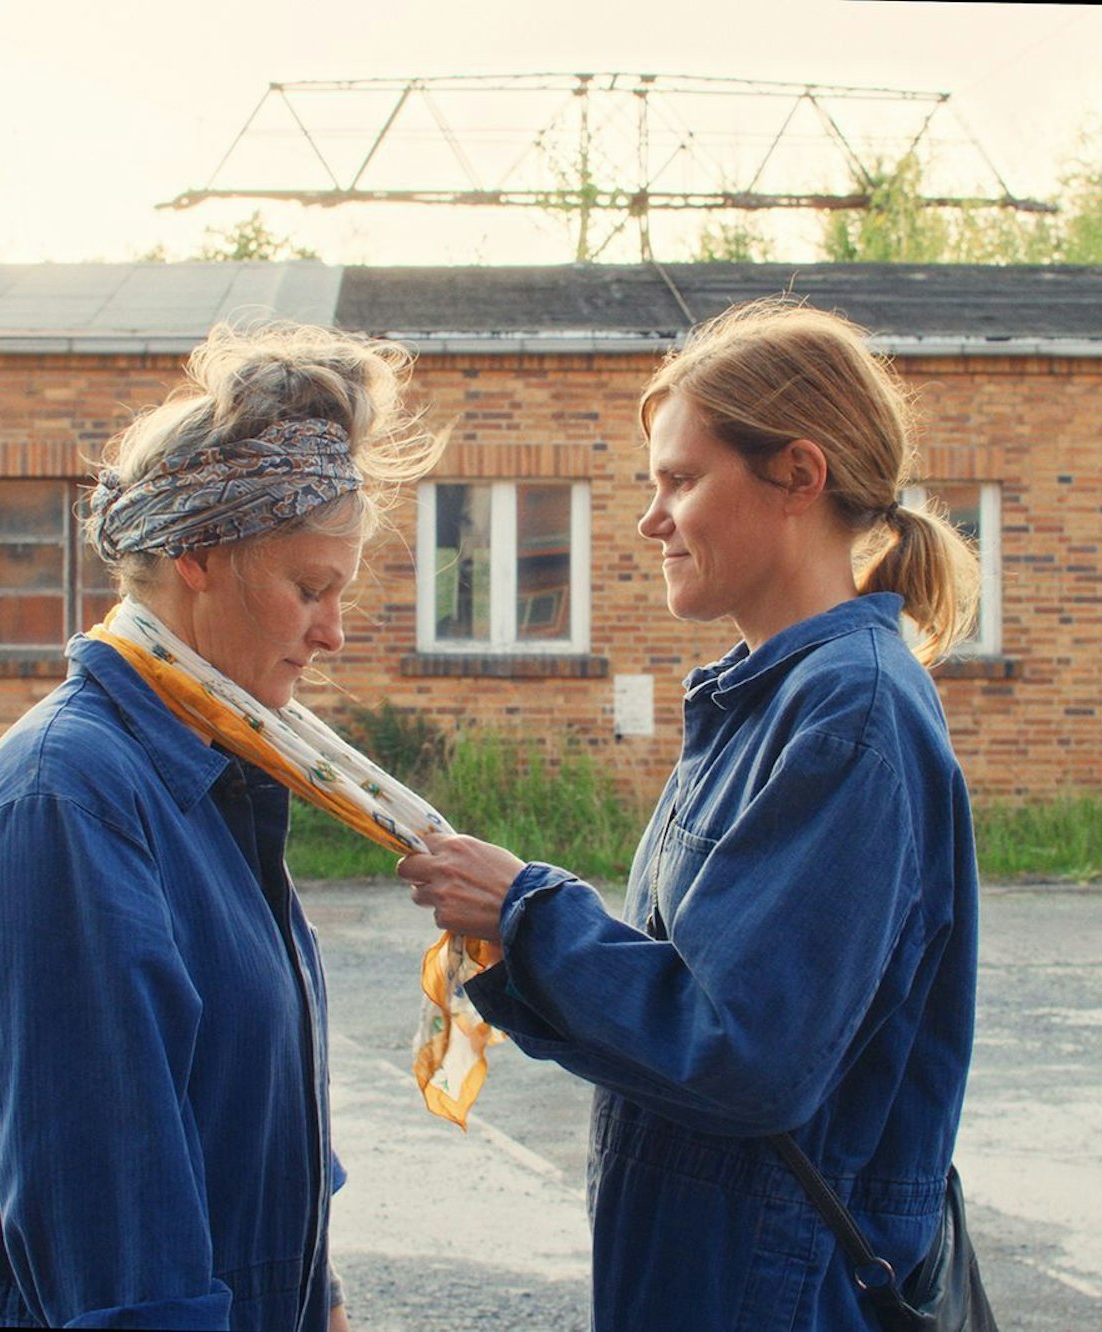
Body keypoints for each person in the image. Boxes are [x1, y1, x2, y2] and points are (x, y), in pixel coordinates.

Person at [397, 297, 988, 1329]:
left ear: (797, 476)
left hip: (777, 1294)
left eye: (680, 480)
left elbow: (746, 1056)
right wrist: (515, 946)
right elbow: (685, 1007)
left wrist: (529, 913)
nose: (650, 518)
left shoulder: (851, 711)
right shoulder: (768, 693)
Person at [0, 322, 439, 1330]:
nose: (332, 631)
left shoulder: (215, 763)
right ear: (198, 555)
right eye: (310, 588)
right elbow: (111, 1221)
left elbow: (244, 1110)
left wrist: (317, 1296)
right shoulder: (70, 794)